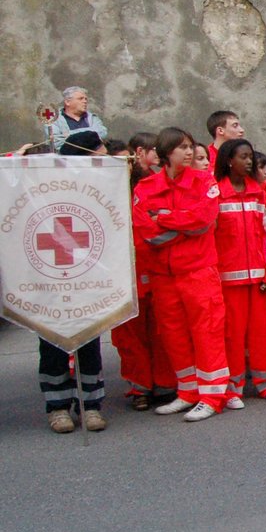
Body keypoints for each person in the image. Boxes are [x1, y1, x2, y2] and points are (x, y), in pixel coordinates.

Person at [133, 127, 231, 421]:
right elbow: (145, 233)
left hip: (198, 271)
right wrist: (182, 227)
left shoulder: (204, 180)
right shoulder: (145, 188)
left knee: (207, 332)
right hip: (164, 276)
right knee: (174, 335)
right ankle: (188, 392)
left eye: (190, 146)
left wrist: (163, 218)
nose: (189, 153)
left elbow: (204, 220)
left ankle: (213, 395)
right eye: (182, 148)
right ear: (165, 154)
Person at [38, 134, 109, 432]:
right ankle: (57, 407)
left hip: (88, 276)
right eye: (100, 154)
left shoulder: (102, 186)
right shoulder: (46, 188)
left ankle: (90, 404)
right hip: (52, 276)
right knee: (53, 342)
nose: (105, 159)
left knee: (89, 341)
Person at [212, 138, 266, 408]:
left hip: (257, 280)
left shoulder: (259, 193)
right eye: (243, 156)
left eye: (250, 157)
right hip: (227, 280)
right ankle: (232, 388)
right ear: (228, 160)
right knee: (231, 335)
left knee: (261, 333)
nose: (248, 162)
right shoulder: (216, 193)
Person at [112, 131, 176, 412]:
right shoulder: (105, 192)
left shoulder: (150, 184)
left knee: (160, 329)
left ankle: (164, 382)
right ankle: (139, 385)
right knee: (130, 333)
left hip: (154, 264)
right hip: (122, 270)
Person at [44, 85, 108, 149]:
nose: (85, 101)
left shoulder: (93, 118)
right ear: (67, 102)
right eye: (80, 98)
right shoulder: (54, 119)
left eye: (86, 99)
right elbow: (56, 142)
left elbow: (103, 133)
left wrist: (69, 134)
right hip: (66, 158)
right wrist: (90, 134)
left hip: (91, 156)